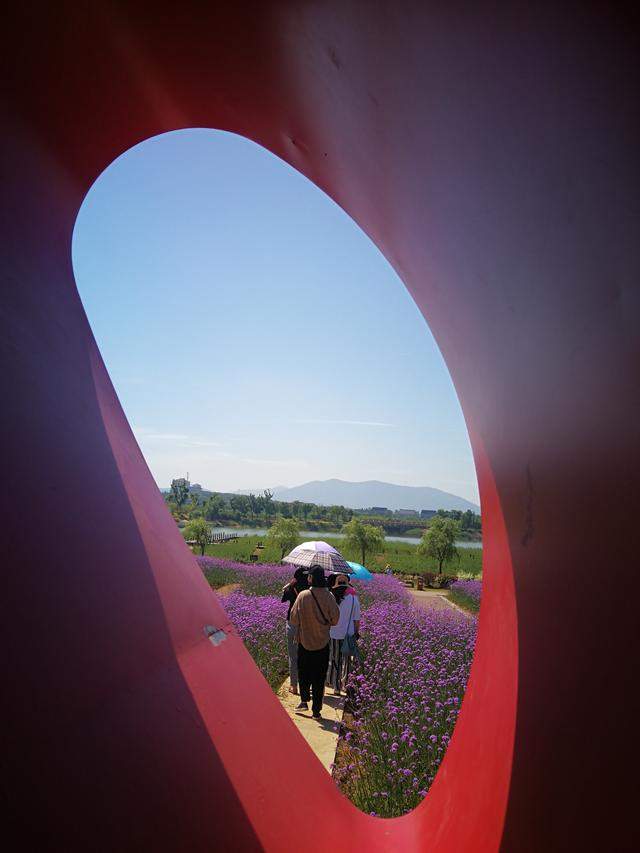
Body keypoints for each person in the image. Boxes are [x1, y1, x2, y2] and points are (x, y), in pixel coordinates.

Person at [289, 564, 340, 720]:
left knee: (303, 673)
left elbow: (293, 619)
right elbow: (335, 620)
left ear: (311, 578)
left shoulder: (303, 595)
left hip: (304, 642)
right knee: (319, 678)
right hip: (323, 644)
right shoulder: (329, 596)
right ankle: (316, 711)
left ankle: (304, 700)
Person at [326, 573, 361, 696]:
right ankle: (345, 684)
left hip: (333, 633)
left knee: (334, 659)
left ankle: (335, 686)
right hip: (348, 634)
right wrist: (356, 632)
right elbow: (357, 619)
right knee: (346, 661)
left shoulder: (330, 596)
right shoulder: (353, 599)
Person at [281, 567, 309, 695]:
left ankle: (294, 686)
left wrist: (289, 585)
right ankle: (306, 686)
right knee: (305, 656)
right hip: (307, 625)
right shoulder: (311, 589)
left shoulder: (293, 587)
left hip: (292, 623)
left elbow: (283, 598)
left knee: (293, 656)